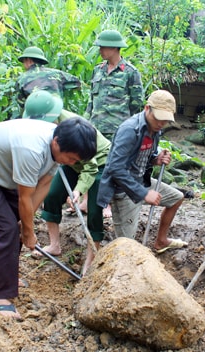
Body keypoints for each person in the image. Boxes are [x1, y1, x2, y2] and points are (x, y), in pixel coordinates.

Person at [0, 116, 97, 320]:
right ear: (56, 142)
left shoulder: (58, 148)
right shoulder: (32, 148)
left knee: (16, 223)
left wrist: (25, 223)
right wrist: (27, 232)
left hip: (0, 174)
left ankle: (4, 278)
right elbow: (25, 196)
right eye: (71, 158)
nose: (72, 163)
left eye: (76, 161)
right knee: (7, 228)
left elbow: (44, 185)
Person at [22, 90, 110, 275]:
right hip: (68, 159)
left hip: (96, 162)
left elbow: (90, 166)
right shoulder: (43, 124)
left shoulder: (74, 130)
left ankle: (91, 258)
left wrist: (78, 190)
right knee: (53, 195)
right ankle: (54, 245)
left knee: (94, 209)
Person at [97, 90, 188, 253]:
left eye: (165, 120)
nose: (161, 124)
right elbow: (115, 168)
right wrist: (143, 193)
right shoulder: (130, 130)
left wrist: (156, 159)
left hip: (141, 181)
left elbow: (142, 156)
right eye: (158, 118)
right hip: (123, 190)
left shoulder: (155, 129)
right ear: (147, 108)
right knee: (127, 247)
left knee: (176, 198)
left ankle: (161, 241)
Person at [82, 30, 144, 216]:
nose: (100, 49)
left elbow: (136, 104)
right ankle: (86, 201)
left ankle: (107, 203)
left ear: (115, 47)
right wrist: (85, 122)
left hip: (118, 129)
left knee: (112, 166)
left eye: (103, 46)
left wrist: (130, 130)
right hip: (96, 127)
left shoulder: (130, 73)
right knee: (90, 163)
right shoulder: (97, 70)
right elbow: (91, 101)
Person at [11, 46, 81, 118]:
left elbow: (21, 105)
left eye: (24, 61)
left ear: (29, 60)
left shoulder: (22, 79)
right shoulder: (57, 73)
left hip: (36, 116)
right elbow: (77, 83)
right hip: (56, 113)